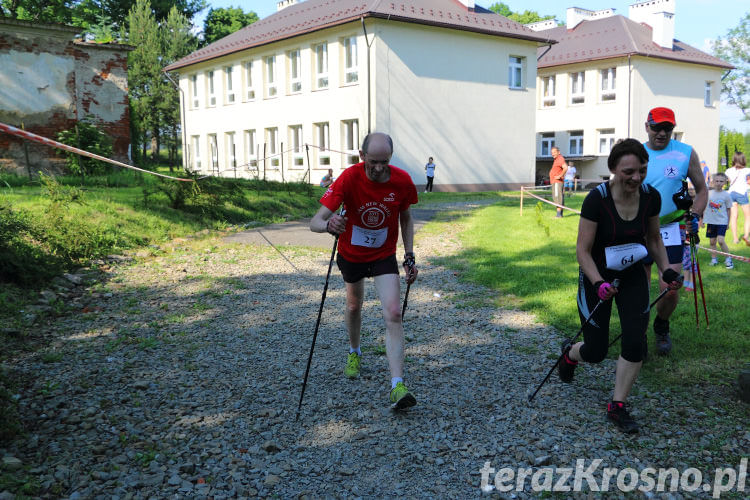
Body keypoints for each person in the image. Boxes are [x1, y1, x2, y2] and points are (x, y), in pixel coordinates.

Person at [560, 139, 682, 433]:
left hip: (632, 274)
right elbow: (582, 251)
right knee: (597, 351)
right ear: (613, 168)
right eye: (629, 171)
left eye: (641, 170)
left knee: (634, 341)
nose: (636, 178)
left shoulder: (650, 196)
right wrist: (598, 281)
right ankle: (570, 353)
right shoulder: (596, 199)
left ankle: (617, 405)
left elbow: (653, 239)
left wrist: (665, 269)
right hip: (596, 275)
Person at [309, 132, 419, 410]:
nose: (379, 168)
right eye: (373, 162)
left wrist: (408, 255)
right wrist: (329, 225)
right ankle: (354, 351)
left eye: (384, 162)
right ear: (362, 156)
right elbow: (315, 221)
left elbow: (405, 217)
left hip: (383, 256)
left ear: (390, 158)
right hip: (352, 255)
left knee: (393, 313)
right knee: (354, 305)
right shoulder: (349, 177)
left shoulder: (402, 181)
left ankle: (397, 386)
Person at [641, 107, 707, 356]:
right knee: (638, 289)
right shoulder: (636, 152)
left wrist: (697, 214)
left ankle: (661, 325)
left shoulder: (685, 153)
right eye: (657, 127)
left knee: (670, 289)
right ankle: (638, 337)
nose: (662, 133)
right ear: (646, 126)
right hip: (638, 229)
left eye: (667, 128)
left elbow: (701, 190)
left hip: (670, 227)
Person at [702, 172, 733, 268]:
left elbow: (728, 210)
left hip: (722, 222)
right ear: (713, 181)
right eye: (717, 181)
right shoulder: (709, 193)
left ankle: (728, 259)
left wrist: (728, 223)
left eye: (721, 181)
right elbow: (704, 206)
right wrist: (703, 219)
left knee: (720, 240)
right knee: (712, 242)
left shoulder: (726, 195)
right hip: (711, 222)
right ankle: (714, 259)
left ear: (725, 183)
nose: (719, 183)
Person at [724, 152, 750, 245]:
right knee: (748, 216)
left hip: (731, 194)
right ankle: (746, 236)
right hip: (742, 193)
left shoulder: (728, 171)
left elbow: (727, 181)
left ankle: (735, 239)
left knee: (734, 217)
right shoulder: (747, 170)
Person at [550, 147, 568, 217]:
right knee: (558, 197)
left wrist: (560, 176)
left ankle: (558, 215)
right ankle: (560, 215)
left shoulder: (560, 159)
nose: (553, 154)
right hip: (556, 182)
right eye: (552, 153)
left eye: (554, 152)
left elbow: (565, 167)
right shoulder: (556, 159)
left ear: (558, 152)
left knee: (557, 198)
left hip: (557, 182)